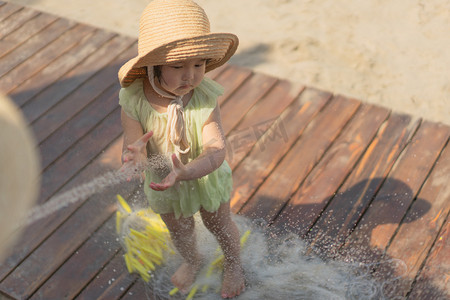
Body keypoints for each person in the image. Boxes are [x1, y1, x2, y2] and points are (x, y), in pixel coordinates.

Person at [117, 0, 244, 298]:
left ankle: (234, 262)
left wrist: (188, 171)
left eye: (199, 64)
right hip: (164, 183)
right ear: (153, 65)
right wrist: (135, 157)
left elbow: (216, 149)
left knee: (220, 223)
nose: (192, 76)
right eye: (178, 66)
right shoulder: (134, 100)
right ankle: (192, 259)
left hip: (203, 175)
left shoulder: (203, 97)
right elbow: (134, 145)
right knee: (180, 230)